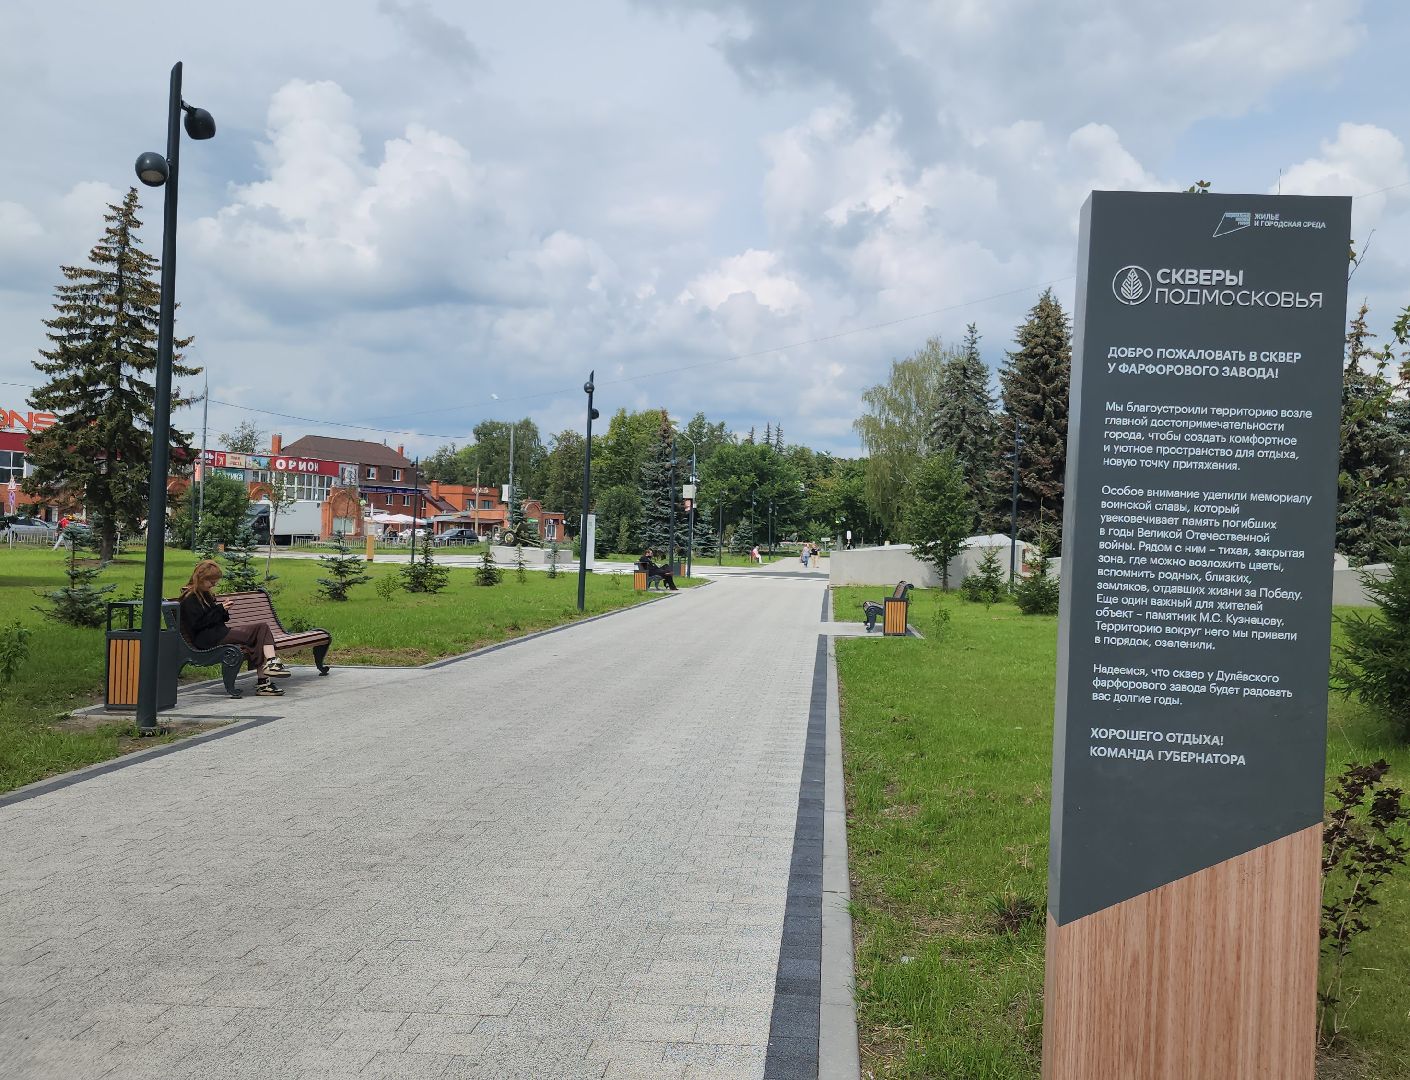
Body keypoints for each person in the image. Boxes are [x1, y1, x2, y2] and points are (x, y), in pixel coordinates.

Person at [178, 559, 291, 697]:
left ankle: (265, 679)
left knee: (260, 633)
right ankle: (269, 670)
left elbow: (215, 618)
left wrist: (223, 610)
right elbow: (197, 624)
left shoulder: (204, 594)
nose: (214, 584)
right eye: (211, 581)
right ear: (200, 578)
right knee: (261, 630)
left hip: (218, 634)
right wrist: (220, 609)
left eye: (215, 581)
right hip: (207, 639)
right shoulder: (189, 598)